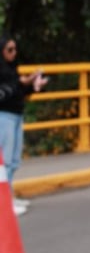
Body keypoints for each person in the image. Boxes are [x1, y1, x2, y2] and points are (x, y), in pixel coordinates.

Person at [0, 33, 48, 217]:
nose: (14, 53)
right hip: (3, 117)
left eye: (15, 49)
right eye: (9, 50)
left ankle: (8, 195)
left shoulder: (11, 70)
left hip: (15, 116)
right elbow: (5, 93)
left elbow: (18, 91)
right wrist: (21, 82)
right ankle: (3, 202)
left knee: (13, 160)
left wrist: (34, 86)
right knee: (5, 162)